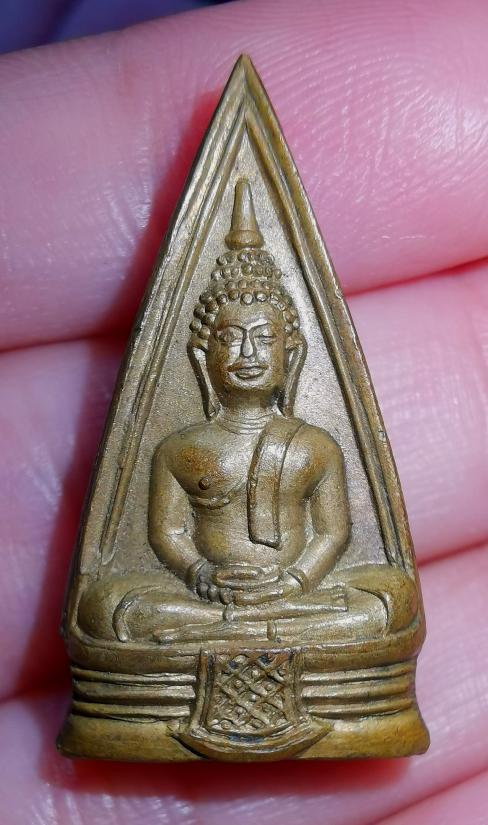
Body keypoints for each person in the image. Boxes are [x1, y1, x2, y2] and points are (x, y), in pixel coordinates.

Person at [1, 0, 487, 822]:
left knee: (385, 602)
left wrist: (293, 579)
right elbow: (167, 535)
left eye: (266, 339)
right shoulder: (181, 446)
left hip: (301, 599)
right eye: (232, 338)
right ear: (201, 356)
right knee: (112, 608)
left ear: (294, 355)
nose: (250, 353)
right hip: (199, 598)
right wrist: (199, 575)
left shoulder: (314, 443)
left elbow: (332, 534)